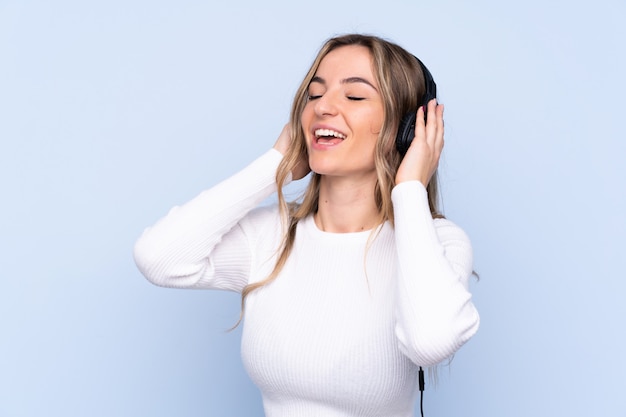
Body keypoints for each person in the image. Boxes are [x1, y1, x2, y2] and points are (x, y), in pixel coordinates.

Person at [133, 33, 479, 417]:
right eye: (314, 95)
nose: (323, 107)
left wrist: (410, 187)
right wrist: (274, 166)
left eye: (355, 96)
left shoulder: (436, 243)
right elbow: (158, 259)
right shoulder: (271, 237)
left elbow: (430, 341)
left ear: (407, 129)